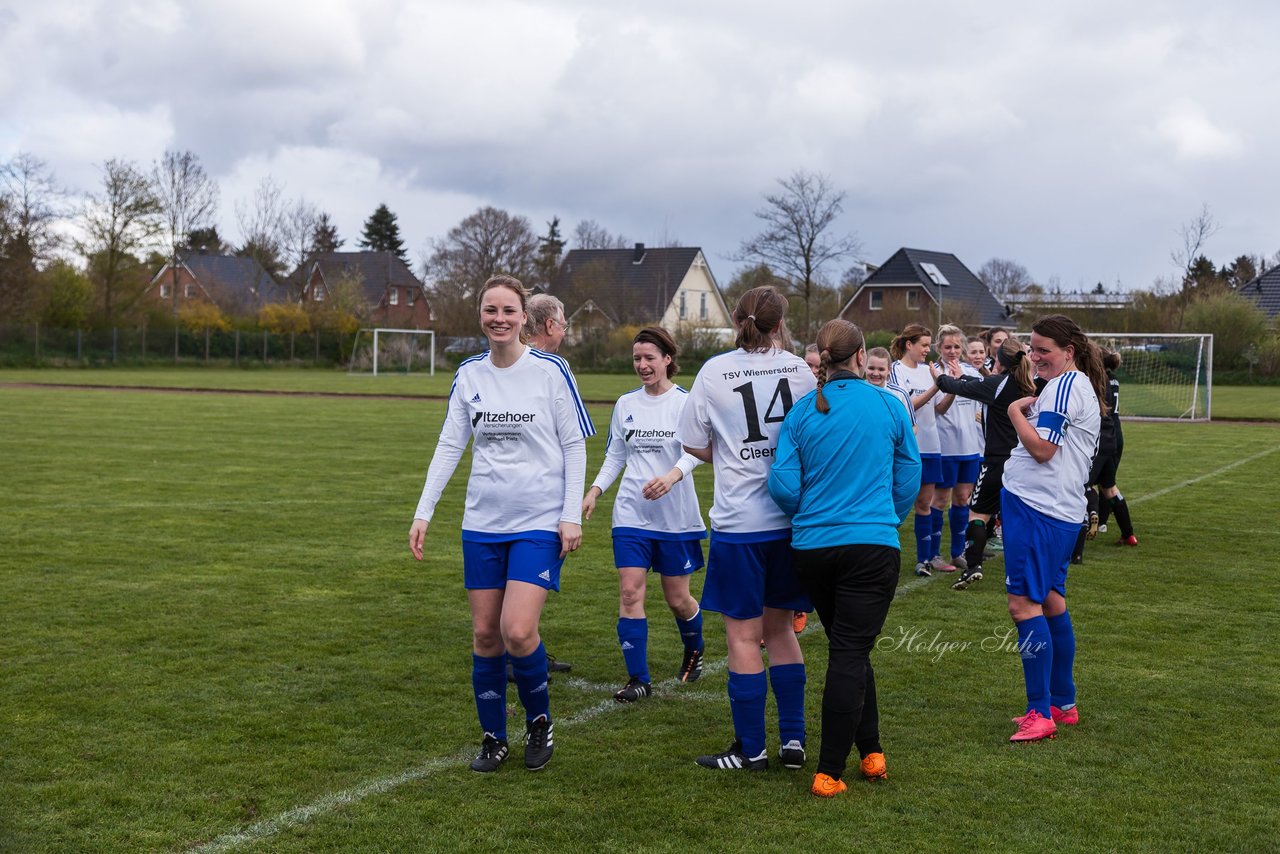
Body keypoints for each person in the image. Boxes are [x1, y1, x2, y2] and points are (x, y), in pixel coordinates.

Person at [409, 275, 595, 773]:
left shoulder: (551, 371)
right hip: (482, 523)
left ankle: (538, 721)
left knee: (517, 630)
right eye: (491, 310)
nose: (499, 318)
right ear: (480, 316)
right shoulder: (469, 374)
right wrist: (424, 511)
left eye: (508, 311)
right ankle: (493, 736)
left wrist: (569, 514)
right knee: (486, 635)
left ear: (523, 317)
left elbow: (575, 444)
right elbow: (451, 445)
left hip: (538, 521)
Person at [768, 320, 921, 798]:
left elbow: (783, 487)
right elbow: (909, 473)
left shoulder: (802, 413)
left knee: (850, 648)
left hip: (814, 550)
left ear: (823, 359)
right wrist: (885, 518)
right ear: (860, 359)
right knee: (850, 652)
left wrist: (812, 514)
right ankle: (829, 772)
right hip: (870, 547)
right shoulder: (888, 404)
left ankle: (871, 752)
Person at [677, 285, 817, 771]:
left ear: (737, 318)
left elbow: (692, 441)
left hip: (740, 523)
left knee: (742, 636)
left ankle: (751, 748)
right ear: (780, 324)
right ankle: (794, 743)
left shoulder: (715, 370)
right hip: (788, 521)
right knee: (780, 630)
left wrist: (734, 455)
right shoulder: (800, 370)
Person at [582, 327, 707, 703]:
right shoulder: (626, 404)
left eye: (649, 358)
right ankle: (638, 678)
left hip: (675, 518)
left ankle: (695, 649)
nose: (642, 365)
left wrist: (672, 476)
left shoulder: (686, 403)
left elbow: (698, 450)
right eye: (637, 358)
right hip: (631, 515)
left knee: (677, 598)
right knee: (630, 590)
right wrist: (595, 490)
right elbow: (616, 456)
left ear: (667, 359)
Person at [1003, 314, 1107, 742]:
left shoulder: (1065, 385)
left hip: (1039, 510)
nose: (1035, 356)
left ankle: (1038, 711)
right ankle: (1062, 703)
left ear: (1069, 352)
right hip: (1055, 510)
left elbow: (1044, 450)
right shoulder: (1071, 384)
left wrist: (1013, 411)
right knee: (1050, 600)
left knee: (1023, 605)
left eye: (1044, 349)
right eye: (1032, 348)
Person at [935, 336, 1040, 590]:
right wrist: (962, 376)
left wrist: (938, 377)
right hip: (1022, 461)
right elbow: (977, 383)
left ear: (1000, 361)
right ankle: (1028, 568)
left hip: (995, 461)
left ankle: (972, 566)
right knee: (1019, 516)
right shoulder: (1028, 383)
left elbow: (959, 387)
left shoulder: (998, 383)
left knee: (977, 513)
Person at [519, 291, 574, 677]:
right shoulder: (551, 366)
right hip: (538, 500)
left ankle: (524, 646)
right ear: (551, 325)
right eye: (565, 323)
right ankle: (520, 653)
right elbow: (573, 442)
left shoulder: (505, 361)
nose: (565, 331)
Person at [1072, 348, 1138, 562]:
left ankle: (1077, 551)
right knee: (1109, 487)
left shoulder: (1091, 381)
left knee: (1082, 486)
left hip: (1099, 438)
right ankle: (1128, 534)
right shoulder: (1111, 379)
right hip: (1112, 435)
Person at [889, 323, 945, 576]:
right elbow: (906, 406)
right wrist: (937, 386)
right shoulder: (896, 370)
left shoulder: (928, 370)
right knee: (895, 503)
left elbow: (939, 408)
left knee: (927, 502)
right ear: (908, 344)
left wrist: (949, 386)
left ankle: (929, 557)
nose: (927, 350)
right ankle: (885, 553)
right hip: (907, 447)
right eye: (923, 345)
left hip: (932, 444)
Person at [932, 325, 984, 572]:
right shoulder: (933, 372)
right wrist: (951, 385)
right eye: (947, 347)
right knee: (940, 500)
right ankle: (932, 553)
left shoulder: (972, 371)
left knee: (963, 499)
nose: (952, 351)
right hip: (945, 447)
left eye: (956, 346)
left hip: (970, 447)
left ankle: (957, 552)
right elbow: (939, 409)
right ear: (939, 348)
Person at [866, 347, 915, 423]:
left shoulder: (900, 394)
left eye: (881, 369)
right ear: (864, 367)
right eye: (871, 368)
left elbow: (913, 426)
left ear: (889, 370)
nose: (875, 373)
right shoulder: (856, 391)